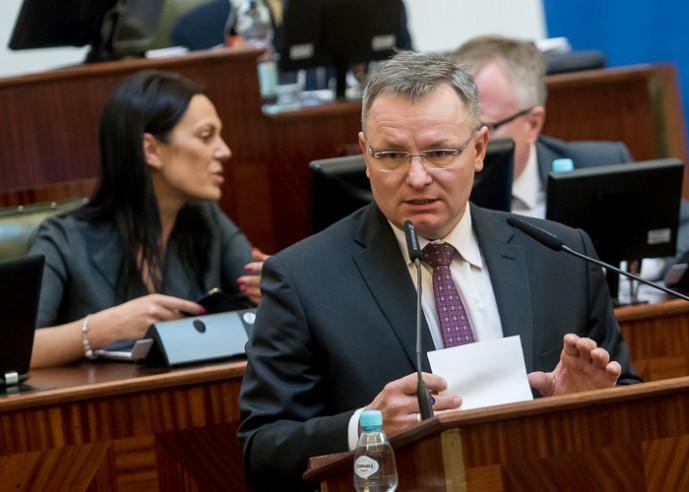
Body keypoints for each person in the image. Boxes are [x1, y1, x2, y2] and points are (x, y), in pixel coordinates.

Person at [237, 50, 641, 491]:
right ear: (366, 155)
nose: (417, 177)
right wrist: (364, 427)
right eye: (392, 155)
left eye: (439, 153)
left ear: (479, 149)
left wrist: (585, 406)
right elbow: (263, 452)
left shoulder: (560, 256)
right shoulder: (302, 279)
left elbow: (631, 400)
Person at [28, 70, 266, 368]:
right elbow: (15, 350)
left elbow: (259, 292)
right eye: (206, 136)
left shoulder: (208, 220)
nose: (224, 151)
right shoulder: (62, 238)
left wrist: (276, 289)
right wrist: (99, 330)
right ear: (151, 150)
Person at [452, 34, 689, 277]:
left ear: (532, 124)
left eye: (484, 128)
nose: (466, 145)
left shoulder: (598, 165)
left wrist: (638, 264)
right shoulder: (446, 186)